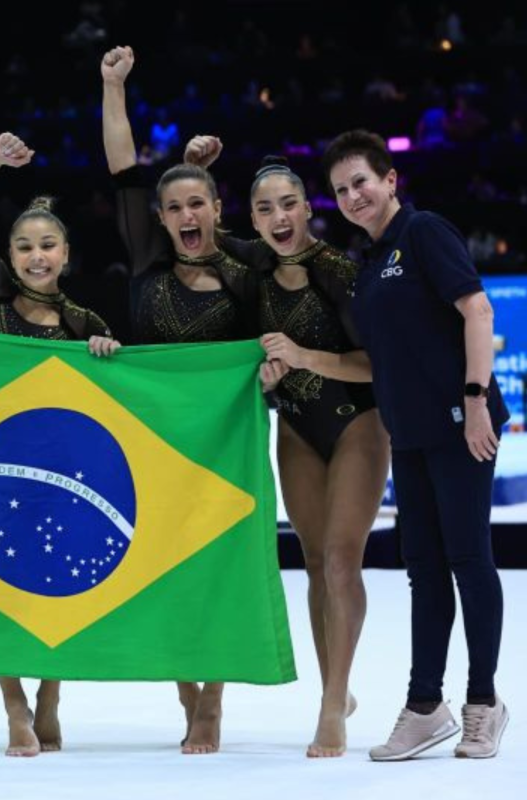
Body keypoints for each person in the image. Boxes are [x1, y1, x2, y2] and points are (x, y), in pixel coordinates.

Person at [186, 135, 392, 757]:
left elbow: (376, 365)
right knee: (311, 560)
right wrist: (196, 173)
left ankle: (333, 704)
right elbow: (196, 229)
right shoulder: (252, 269)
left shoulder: (338, 270)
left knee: (340, 560)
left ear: (308, 209)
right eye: (266, 209)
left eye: (289, 204)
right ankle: (336, 685)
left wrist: (304, 357)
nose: (279, 218)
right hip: (299, 424)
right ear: (252, 218)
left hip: (358, 420)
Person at [322, 129, 510, 761]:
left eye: (361, 183)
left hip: (462, 425)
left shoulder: (424, 232)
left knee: (469, 561)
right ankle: (426, 706)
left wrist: (477, 400)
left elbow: (478, 312)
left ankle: (483, 703)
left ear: (390, 179)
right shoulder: (369, 265)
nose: (353, 196)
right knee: (424, 573)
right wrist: (300, 357)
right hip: (411, 435)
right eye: (342, 190)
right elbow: (378, 363)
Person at [101, 45, 260, 755]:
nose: (186, 214)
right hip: (152, 444)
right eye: (174, 207)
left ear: (217, 209)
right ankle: (187, 696)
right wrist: (112, 87)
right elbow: (122, 169)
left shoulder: (244, 265)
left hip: (225, 444)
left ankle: (214, 705)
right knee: (163, 567)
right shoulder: (145, 260)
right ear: (160, 218)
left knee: (216, 571)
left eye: (198, 202)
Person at [0, 131, 114, 757]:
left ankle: (50, 695)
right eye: (24, 246)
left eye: (47, 246)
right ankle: (15, 706)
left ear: (65, 253)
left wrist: (107, 355)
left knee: (52, 590)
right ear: (8, 254)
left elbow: (114, 405)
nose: (36, 257)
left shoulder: (84, 323)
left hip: (65, 475)